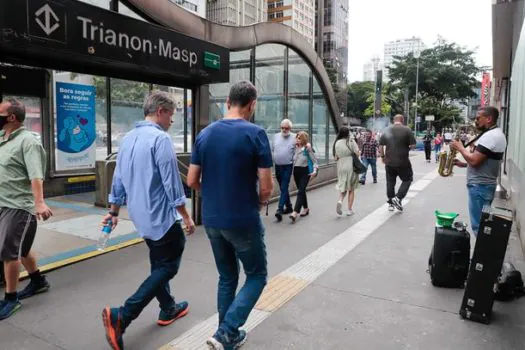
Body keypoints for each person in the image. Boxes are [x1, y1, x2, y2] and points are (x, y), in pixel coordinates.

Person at [101, 91, 195, 350]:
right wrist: (185, 216)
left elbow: (118, 178)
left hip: (140, 217)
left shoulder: (128, 138)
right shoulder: (160, 139)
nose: (172, 122)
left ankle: (168, 308)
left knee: (159, 263)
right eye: (172, 115)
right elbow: (171, 182)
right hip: (162, 217)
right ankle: (124, 314)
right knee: (169, 266)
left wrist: (114, 211)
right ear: (161, 111)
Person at [187, 81, 273, 350]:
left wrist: (211, 194)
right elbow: (267, 186)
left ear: (227, 102)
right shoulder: (256, 134)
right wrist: (258, 202)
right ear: (252, 104)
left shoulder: (205, 134)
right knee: (257, 275)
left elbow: (192, 180)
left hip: (212, 220)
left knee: (227, 276)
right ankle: (226, 332)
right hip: (243, 219)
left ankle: (226, 335)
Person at [0, 98, 53, 321]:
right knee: (20, 248)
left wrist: (39, 202)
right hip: (3, 202)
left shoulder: (28, 142)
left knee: (8, 252)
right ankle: (38, 280)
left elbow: (36, 175)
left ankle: (11, 299)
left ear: (11, 117)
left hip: (18, 206)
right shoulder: (3, 139)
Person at [451, 106, 507, 237]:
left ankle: (482, 257)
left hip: (480, 187)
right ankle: (485, 256)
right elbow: (484, 161)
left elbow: (475, 161)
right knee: (483, 224)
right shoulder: (496, 134)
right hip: (484, 186)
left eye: (478, 118)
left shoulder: (491, 136)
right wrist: (464, 164)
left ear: (488, 119)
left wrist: (460, 148)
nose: (476, 121)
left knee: (478, 227)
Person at [379, 114, 417, 212]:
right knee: (407, 179)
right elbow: (413, 146)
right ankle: (398, 198)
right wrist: (406, 147)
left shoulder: (387, 129)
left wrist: (383, 157)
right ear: (402, 120)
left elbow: (380, 146)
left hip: (389, 161)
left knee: (390, 182)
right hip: (403, 161)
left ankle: (391, 203)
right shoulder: (407, 130)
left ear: (393, 120)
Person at [289, 131, 318, 222]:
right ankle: (305, 208)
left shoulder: (307, 148)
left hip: (305, 172)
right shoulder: (294, 148)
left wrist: (314, 171)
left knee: (301, 191)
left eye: (299, 138)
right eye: (296, 138)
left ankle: (295, 212)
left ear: (303, 139)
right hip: (296, 172)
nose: (297, 139)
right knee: (301, 191)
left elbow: (315, 161)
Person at [333, 126, 360, 216]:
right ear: (348, 133)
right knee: (351, 189)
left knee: (344, 185)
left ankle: (340, 200)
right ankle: (349, 209)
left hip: (341, 166)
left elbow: (336, 157)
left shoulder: (337, 142)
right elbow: (357, 153)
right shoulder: (350, 141)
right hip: (351, 165)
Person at [272, 119, 295, 222]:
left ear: (290, 128)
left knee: (284, 186)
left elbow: (300, 148)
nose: (284, 130)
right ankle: (289, 206)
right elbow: (272, 149)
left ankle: (279, 209)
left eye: (286, 128)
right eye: (282, 128)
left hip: (288, 166)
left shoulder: (294, 137)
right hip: (278, 166)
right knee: (283, 188)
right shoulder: (276, 136)